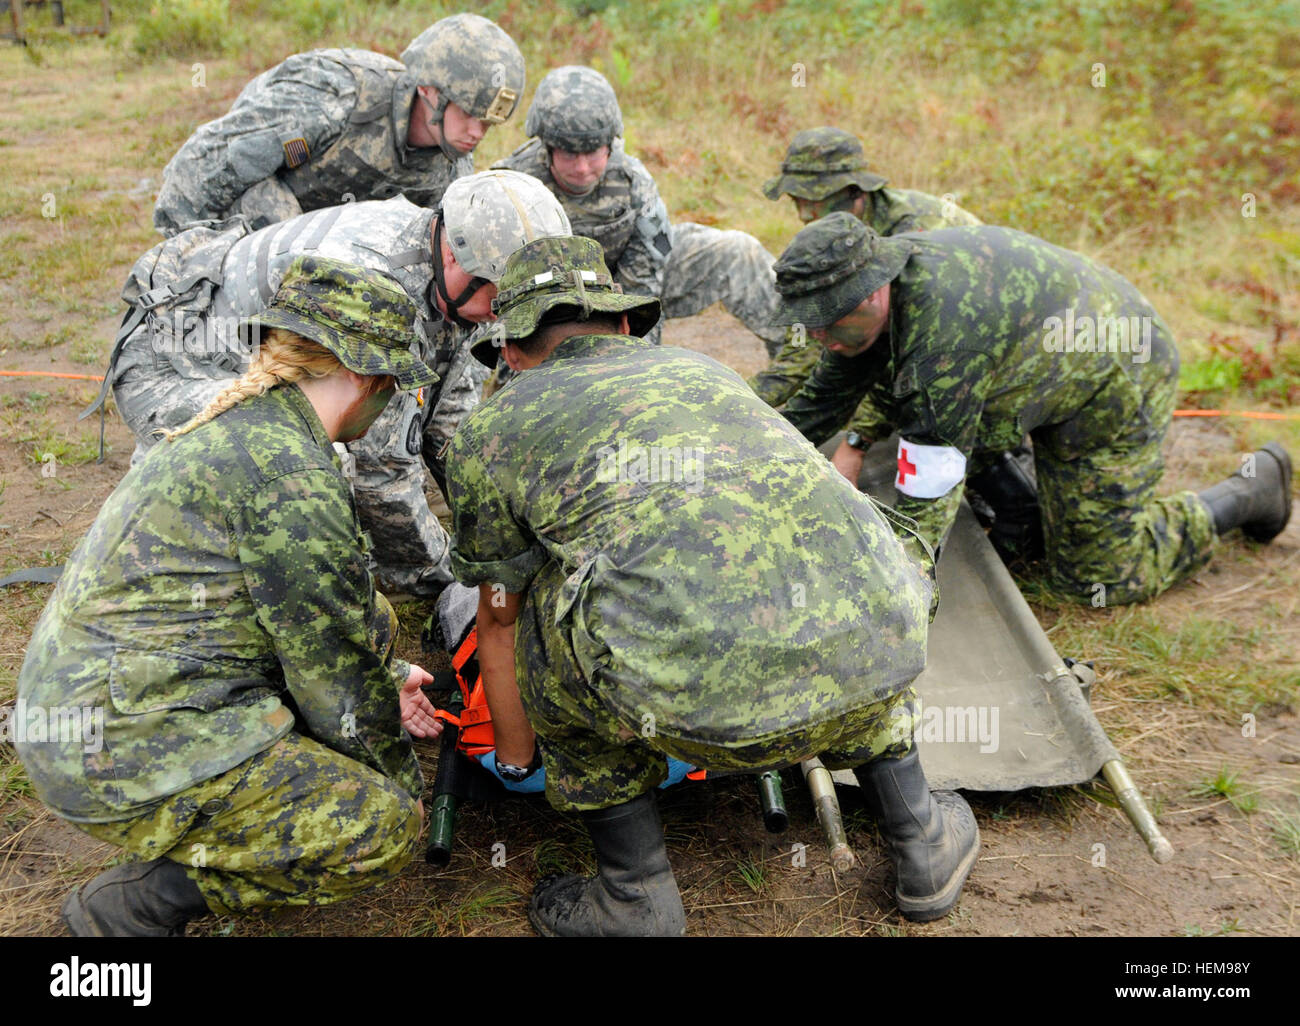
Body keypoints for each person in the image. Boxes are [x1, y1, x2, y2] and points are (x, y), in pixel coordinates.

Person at [446, 235, 979, 936]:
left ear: (510, 350)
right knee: (834, 566)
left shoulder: (492, 428)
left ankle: (634, 893)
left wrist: (516, 762)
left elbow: (498, 616)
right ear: (627, 325)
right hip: (879, 649)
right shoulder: (708, 372)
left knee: (541, 599)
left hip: (697, 709)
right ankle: (923, 841)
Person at [16, 257, 446, 936]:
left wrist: (385, 674)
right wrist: (397, 785)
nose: (394, 400)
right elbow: (334, 683)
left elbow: (310, 615)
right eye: (394, 386)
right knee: (378, 826)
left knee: (375, 614)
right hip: (121, 743)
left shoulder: (252, 424)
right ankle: (130, 909)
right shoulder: (291, 478)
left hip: (93, 701)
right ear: (366, 377)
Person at [91, 171, 571, 598]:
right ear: (452, 253)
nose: (501, 309)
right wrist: (447, 575)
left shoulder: (462, 276)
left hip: (246, 345)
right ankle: (167, 496)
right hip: (178, 360)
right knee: (316, 459)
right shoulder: (376, 281)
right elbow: (379, 477)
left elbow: (448, 421)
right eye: (496, 291)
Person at [774, 213, 1293, 605]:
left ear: (872, 292)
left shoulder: (947, 336)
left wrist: (893, 600)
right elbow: (819, 404)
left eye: (830, 322)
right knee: (936, 423)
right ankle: (1031, 504)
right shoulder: (875, 306)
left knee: (1096, 577)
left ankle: (1251, 490)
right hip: (1036, 368)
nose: (820, 337)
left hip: (1115, 378)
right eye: (810, 323)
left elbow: (925, 497)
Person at [492, 65, 786, 356]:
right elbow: (493, 290)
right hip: (541, 302)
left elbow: (643, 286)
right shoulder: (509, 187)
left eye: (593, 153)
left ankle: (801, 356)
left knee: (737, 251)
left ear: (609, 145)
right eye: (569, 154)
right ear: (548, 146)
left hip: (622, 285)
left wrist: (636, 366)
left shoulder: (633, 181)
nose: (582, 168)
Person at [153, 13, 525, 236]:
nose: (477, 134)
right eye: (469, 115)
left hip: (330, 243)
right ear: (429, 90)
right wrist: (183, 249)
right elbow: (216, 160)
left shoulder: (452, 166)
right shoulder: (340, 96)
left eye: (489, 124)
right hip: (263, 213)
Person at [753, 126, 983, 475]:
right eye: (796, 201)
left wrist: (857, 440)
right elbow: (805, 343)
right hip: (909, 338)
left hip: (973, 338)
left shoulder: (914, 234)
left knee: (954, 429)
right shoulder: (833, 238)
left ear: (853, 191)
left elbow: (913, 349)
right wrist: (750, 402)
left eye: (813, 200)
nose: (802, 214)